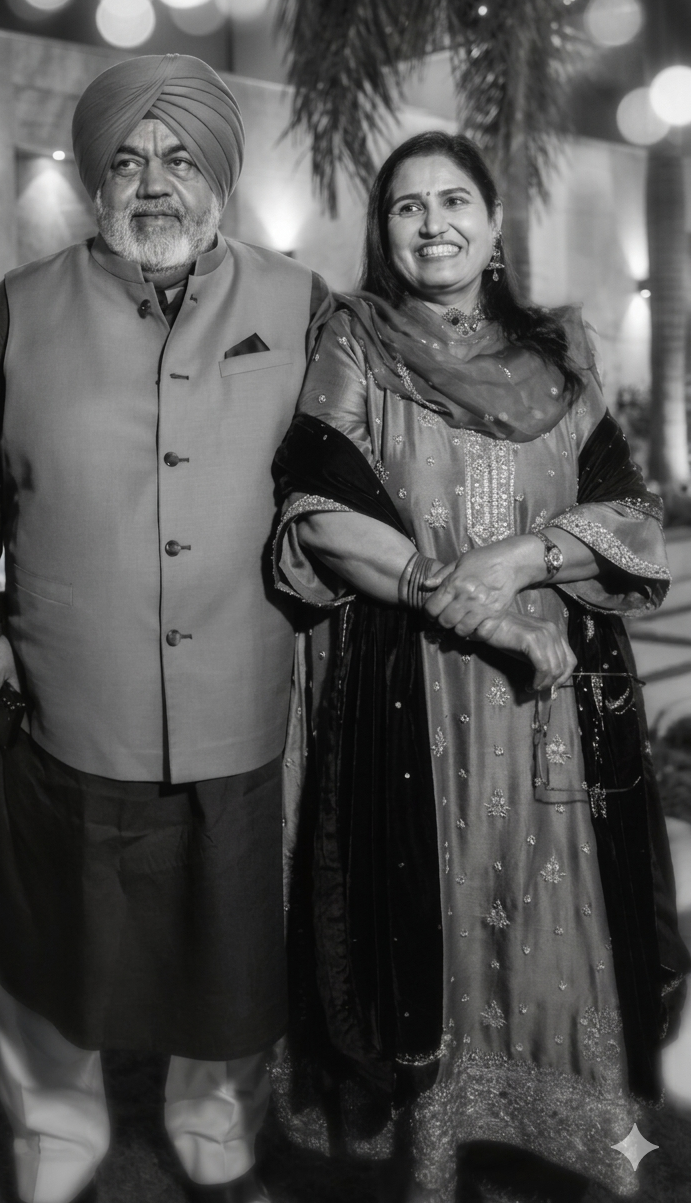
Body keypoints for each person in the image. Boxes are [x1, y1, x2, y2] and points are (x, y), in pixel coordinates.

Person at [0, 54, 329, 1203]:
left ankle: (215, 1128)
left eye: (180, 158)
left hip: (241, 690)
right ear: (95, 177)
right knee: (50, 940)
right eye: (128, 159)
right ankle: (55, 1141)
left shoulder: (301, 304)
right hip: (63, 697)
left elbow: (362, 464)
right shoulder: (15, 307)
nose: (154, 182)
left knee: (233, 944)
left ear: (219, 176)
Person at [271, 131, 689, 1202]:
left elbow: (632, 514)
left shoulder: (558, 356)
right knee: (433, 898)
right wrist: (450, 593)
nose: (432, 224)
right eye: (406, 206)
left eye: (453, 200)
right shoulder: (354, 342)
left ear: (494, 222)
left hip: (557, 700)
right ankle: (438, 1139)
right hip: (414, 687)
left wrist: (516, 559)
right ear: (384, 231)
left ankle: (581, 1125)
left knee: (563, 900)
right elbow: (318, 509)